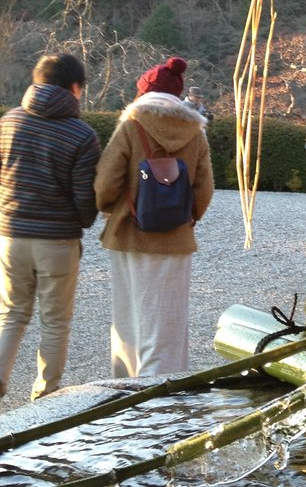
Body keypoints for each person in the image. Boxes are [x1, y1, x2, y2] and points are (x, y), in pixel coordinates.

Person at [94, 56, 214, 378]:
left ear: (143, 94)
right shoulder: (195, 133)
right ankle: (160, 397)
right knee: (167, 322)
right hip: (174, 241)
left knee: (129, 318)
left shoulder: (131, 127)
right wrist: (183, 219)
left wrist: (112, 210)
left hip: (128, 235)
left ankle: (124, 390)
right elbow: (204, 190)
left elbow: (106, 183)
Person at [0, 54, 101, 400]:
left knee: (11, 314)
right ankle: (44, 396)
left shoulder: (9, 121)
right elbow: (84, 197)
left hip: (10, 235)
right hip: (57, 240)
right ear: (75, 87)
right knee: (55, 321)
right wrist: (84, 221)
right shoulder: (82, 135)